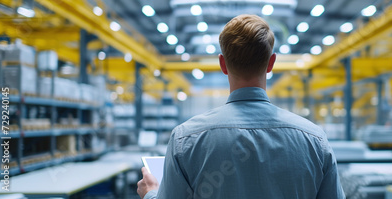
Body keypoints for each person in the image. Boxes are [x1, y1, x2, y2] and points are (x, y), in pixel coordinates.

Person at [137, 14, 345, 199]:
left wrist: (151, 194)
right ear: (271, 63)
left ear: (223, 64)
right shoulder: (315, 140)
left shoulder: (185, 139)